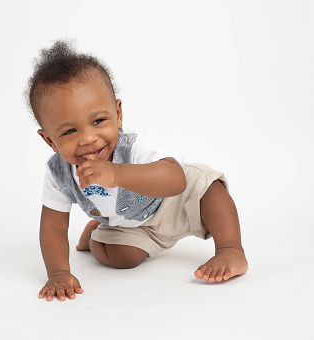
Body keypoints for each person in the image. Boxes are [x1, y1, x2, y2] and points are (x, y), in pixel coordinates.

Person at [25, 40, 248, 301]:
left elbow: (175, 180)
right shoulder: (59, 174)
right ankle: (98, 234)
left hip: (174, 201)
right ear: (50, 140)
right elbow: (52, 225)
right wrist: (58, 273)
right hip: (132, 225)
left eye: (98, 121)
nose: (88, 138)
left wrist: (116, 173)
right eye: (69, 131)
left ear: (117, 114)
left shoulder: (135, 146)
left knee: (210, 189)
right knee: (119, 258)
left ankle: (231, 249)